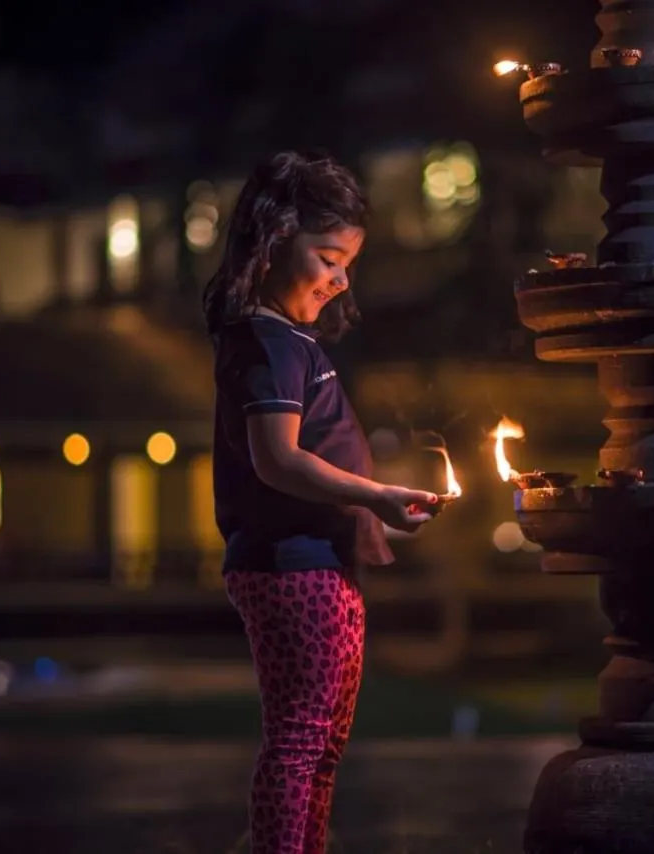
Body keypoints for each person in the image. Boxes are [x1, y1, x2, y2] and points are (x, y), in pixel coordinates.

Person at [202, 150, 440, 854]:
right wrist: (377, 495)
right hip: (290, 567)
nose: (340, 280)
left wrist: (370, 513)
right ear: (275, 243)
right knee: (300, 741)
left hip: (322, 567)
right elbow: (278, 459)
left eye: (349, 264)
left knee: (323, 744)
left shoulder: (292, 341)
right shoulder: (267, 341)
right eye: (329, 257)